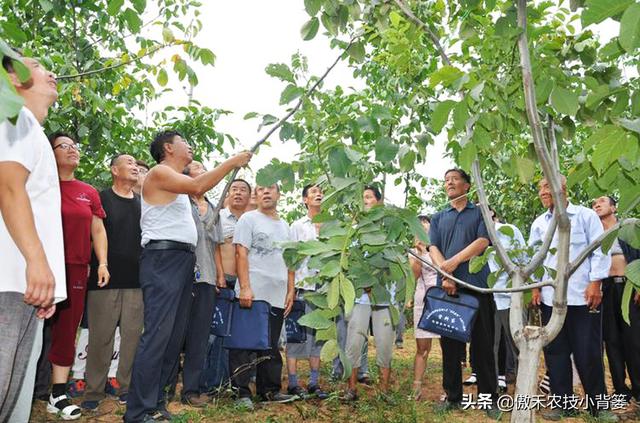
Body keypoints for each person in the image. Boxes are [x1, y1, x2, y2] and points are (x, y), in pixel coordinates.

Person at [124, 131, 251, 422]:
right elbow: (198, 185)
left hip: (182, 261)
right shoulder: (159, 173)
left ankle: (156, 403)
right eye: (184, 141)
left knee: (172, 337)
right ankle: (138, 411)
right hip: (163, 259)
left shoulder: (177, 186)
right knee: (157, 335)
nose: (190, 146)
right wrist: (232, 162)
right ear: (168, 148)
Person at [0, 50, 65, 422]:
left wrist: (45, 280)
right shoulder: (15, 117)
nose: (49, 71)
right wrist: (37, 263)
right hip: (10, 280)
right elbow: (9, 188)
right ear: (12, 81)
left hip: (22, 284)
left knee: (12, 395)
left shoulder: (28, 127)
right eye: (37, 65)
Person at [530, 177, 616, 422]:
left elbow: (600, 249)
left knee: (587, 352)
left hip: (582, 296)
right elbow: (535, 257)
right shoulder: (539, 223)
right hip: (550, 298)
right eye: (540, 189)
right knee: (555, 352)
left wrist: (595, 282)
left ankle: (598, 407)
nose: (542, 192)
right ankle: (563, 404)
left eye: (546, 187)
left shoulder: (585, 216)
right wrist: (535, 288)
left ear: (562, 188)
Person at [45, 132, 109, 419]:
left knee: (67, 330)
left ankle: (57, 393)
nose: (72, 150)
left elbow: (97, 229)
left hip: (76, 266)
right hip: (41, 265)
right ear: (49, 152)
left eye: (75, 146)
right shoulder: (39, 184)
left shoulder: (88, 191)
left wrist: (103, 263)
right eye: (64, 146)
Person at [428, 168, 499, 419]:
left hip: (476, 287)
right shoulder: (438, 217)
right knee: (449, 347)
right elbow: (433, 247)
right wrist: (446, 274)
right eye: (446, 180)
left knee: (483, 346)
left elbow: (482, 243)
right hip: (448, 288)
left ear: (467, 186)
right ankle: (453, 396)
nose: (449, 183)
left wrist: (453, 263)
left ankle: (489, 399)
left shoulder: (480, 212)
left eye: (455, 179)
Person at [80, 154, 144, 411]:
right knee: (101, 338)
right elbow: (94, 234)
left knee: (131, 337)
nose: (134, 166)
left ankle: (126, 387)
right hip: (103, 280)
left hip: (137, 281)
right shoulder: (101, 198)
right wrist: (98, 265)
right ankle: (93, 391)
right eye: (128, 162)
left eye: (136, 164)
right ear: (114, 170)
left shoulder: (143, 203)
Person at [230, 183, 296, 410]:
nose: (266, 192)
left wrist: (290, 290)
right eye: (261, 189)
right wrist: (245, 287)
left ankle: (270, 390)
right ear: (256, 195)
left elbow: (290, 262)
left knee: (271, 344)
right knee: (244, 345)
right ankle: (241, 393)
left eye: (271, 188)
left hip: (277, 294)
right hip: (254, 292)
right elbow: (240, 253)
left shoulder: (286, 226)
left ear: (279, 194)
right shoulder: (248, 219)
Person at [177, 160, 224, 407]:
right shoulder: (179, 202)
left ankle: (191, 390)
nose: (203, 171)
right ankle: (163, 386)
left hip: (205, 277)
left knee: (199, 336)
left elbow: (215, 245)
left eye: (205, 168)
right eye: (197, 167)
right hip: (180, 277)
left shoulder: (214, 208)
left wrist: (218, 275)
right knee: (175, 333)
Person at [344, 185, 396, 401]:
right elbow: (348, 261)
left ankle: (384, 390)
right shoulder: (353, 230)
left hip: (384, 299)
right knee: (354, 343)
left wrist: (375, 281)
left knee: (384, 344)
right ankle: (351, 389)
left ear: (378, 200)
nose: (364, 200)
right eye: (362, 197)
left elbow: (394, 261)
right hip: (359, 298)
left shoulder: (389, 228)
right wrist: (363, 281)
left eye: (368, 196)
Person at [201, 179, 252, 392]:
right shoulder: (219, 217)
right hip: (222, 281)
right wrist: (219, 275)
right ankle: (206, 384)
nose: (238, 193)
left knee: (235, 336)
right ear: (227, 194)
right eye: (234, 189)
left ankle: (227, 383)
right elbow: (214, 247)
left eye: (243, 190)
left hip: (245, 286)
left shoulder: (252, 220)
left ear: (250, 196)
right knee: (212, 335)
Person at [593, 196, 640, 414]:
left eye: (602, 201)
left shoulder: (628, 227)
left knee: (634, 340)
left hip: (629, 288)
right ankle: (621, 390)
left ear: (614, 207)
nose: (597, 204)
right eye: (594, 203)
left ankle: (638, 390)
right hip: (606, 290)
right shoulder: (594, 233)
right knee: (611, 341)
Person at [285, 184, 328, 399]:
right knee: (295, 335)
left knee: (318, 336)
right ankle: (293, 383)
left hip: (324, 289)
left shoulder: (331, 226)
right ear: (304, 200)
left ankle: (313, 382)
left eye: (321, 191)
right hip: (303, 286)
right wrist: (290, 290)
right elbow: (291, 260)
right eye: (313, 192)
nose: (318, 194)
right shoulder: (297, 226)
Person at [487, 208, 526, 392]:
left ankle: (523, 387)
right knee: (492, 345)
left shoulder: (509, 230)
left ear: (493, 213)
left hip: (511, 296)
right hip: (488, 297)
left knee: (518, 343)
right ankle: (496, 385)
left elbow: (523, 260)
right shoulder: (478, 237)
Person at [408, 215, 440, 401]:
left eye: (426, 228)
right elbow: (415, 274)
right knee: (422, 347)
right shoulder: (412, 252)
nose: (423, 230)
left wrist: (430, 249)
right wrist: (420, 254)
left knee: (447, 346)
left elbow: (443, 268)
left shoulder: (439, 248)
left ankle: (449, 388)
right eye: (419, 228)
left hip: (442, 300)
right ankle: (417, 387)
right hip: (422, 301)